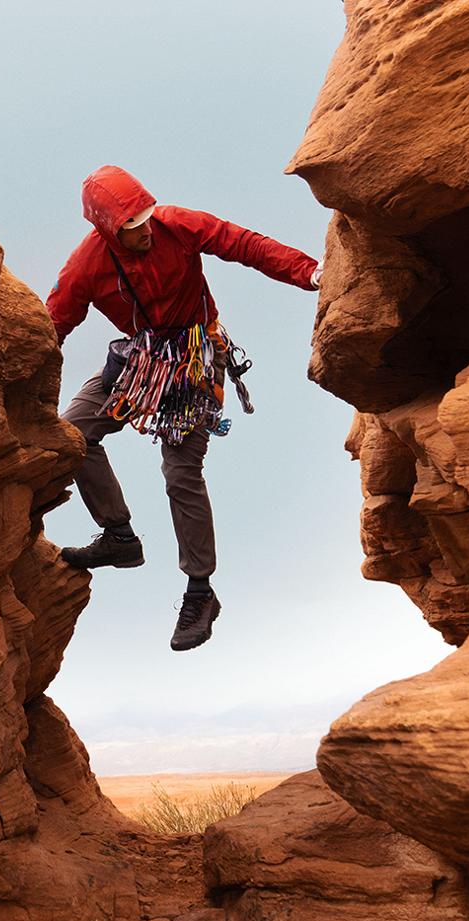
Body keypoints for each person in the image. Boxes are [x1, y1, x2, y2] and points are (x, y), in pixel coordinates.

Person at [48, 165, 321, 651]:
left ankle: (200, 590)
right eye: (132, 228)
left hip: (196, 358)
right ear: (109, 231)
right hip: (141, 360)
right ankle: (119, 536)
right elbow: (54, 324)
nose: (146, 231)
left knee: (181, 473)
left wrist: (310, 272)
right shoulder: (86, 266)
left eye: (147, 219)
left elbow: (244, 244)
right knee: (72, 433)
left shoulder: (177, 224)